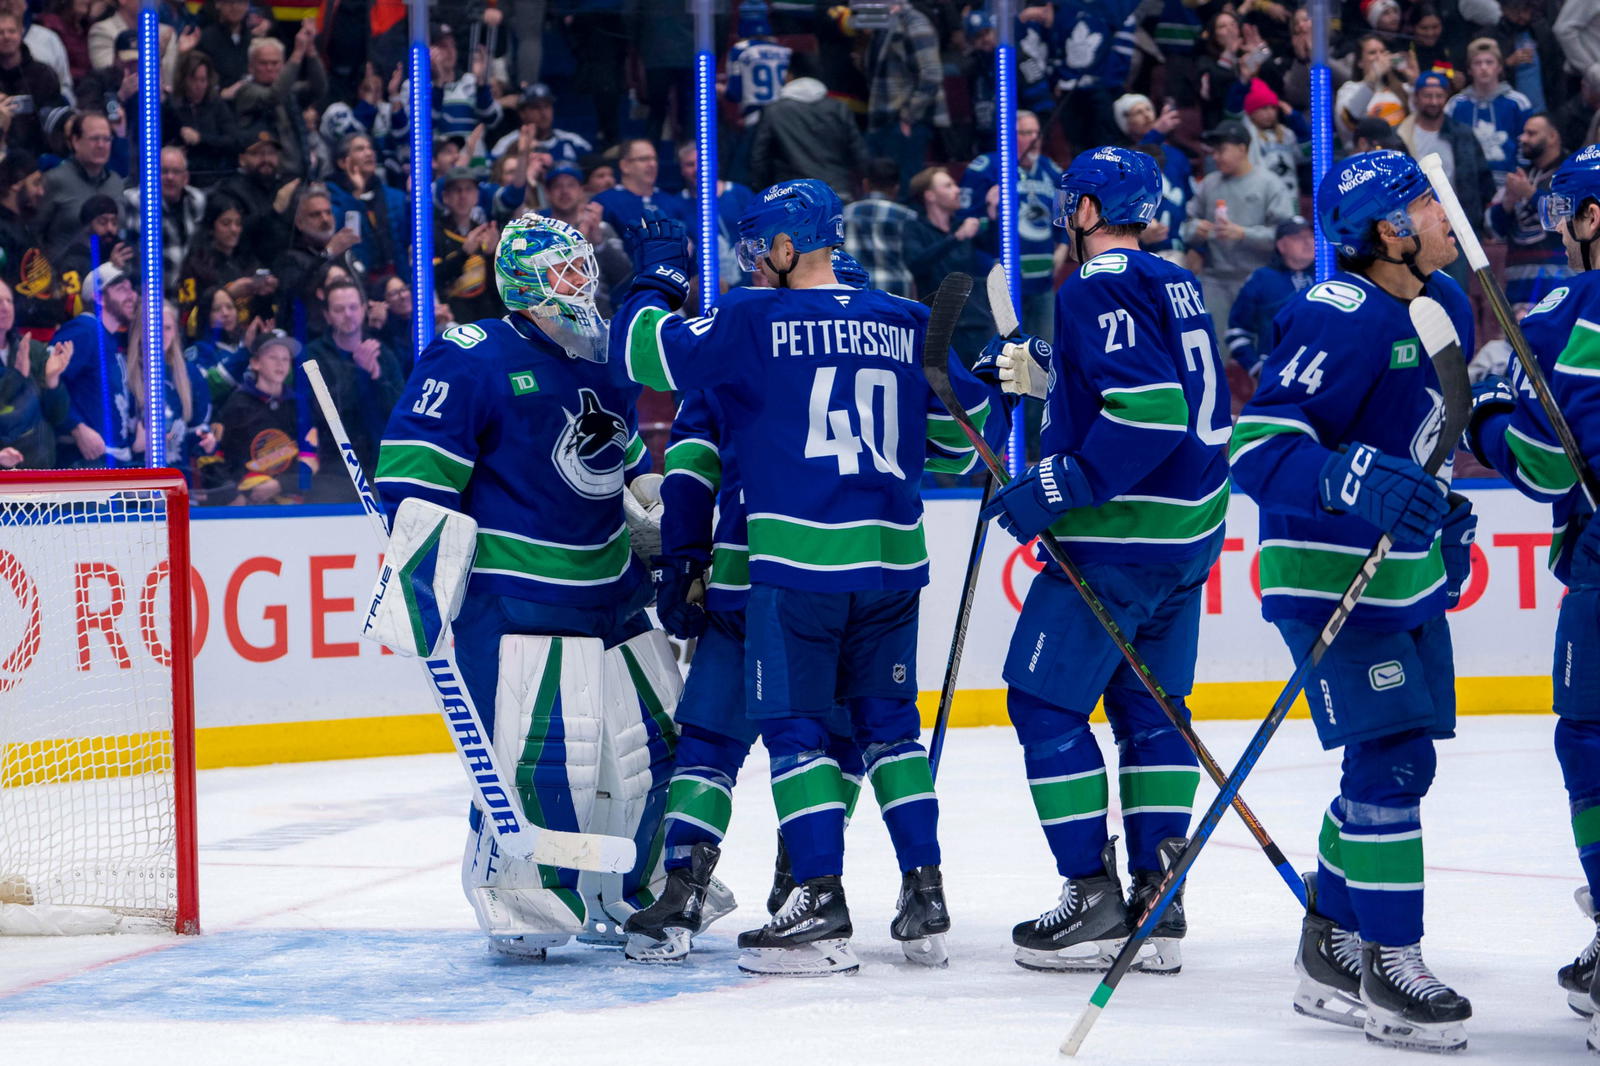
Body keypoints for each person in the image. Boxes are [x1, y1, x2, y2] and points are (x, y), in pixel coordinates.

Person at [611, 179, 995, 976]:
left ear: (787, 249)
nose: (755, 261)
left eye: (762, 248)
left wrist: (653, 278)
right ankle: (920, 893)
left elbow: (648, 365)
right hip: (891, 565)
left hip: (785, 566)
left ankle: (797, 891)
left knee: (760, 735)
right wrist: (1005, 380)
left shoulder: (752, 321)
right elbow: (962, 443)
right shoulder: (905, 318)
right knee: (883, 733)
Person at [371, 214, 675, 961]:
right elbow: (413, 484)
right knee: (544, 757)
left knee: (658, 744)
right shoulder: (472, 356)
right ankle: (524, 902)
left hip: (615, 589)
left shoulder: (603, 356)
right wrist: (420, 582)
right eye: (567, 272)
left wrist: (658, 511)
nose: (585, 284)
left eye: (584, 268)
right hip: (517, 599)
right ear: (526, 284)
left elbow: (626, 458)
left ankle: (634, 891)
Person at [1230, 151, 1474, 1052]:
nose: (1449, 217)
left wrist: (1440, 504)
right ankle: (1387, 960)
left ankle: (1328, 944)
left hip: (1406, 576)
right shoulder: (1340, 314)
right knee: (1393, 763)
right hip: (1326, 576)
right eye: (1428, 206)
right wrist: (1355, 478)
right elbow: (1258, 449)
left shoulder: (1444, 304)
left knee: (1398, 767)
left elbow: (1424, 438)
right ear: (1389, 230)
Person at [969, 146, 1226, 976]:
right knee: (1152, 713)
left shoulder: (1096, 281)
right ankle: (1158, 897)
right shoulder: (1171, 275)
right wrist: (1051, 378)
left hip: (1122, 535)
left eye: (1070, 203)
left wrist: (1055, 481)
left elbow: (1148, 416)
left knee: (1043, 706)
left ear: (1085, 209)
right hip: (1188, 537)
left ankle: (1092, 897)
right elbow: (1150, 386)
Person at [622, 252, 883, 965]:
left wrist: (683, 560)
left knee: (711, 739)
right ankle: (802, 881)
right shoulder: (880, 351)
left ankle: (683, 891)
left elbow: (691, 463)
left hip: (749, 578)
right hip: (851, 588)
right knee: (835, 744)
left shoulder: (749, 341)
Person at [1460, 144, 1600, 1054]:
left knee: (1591, 740)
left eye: (1565, 216)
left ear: (1590, 218)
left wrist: (1486, 413)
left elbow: (1552, 466)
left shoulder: (1572, 311)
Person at [958, 109, 1066, 342]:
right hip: (1000, 280)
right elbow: (964, 223)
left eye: (1037, 132)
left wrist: (1063, 248)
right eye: (1026, 133)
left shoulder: (1052, 170)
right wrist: (989, 212)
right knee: (1003, 354)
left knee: (1044, 352)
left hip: (1043, 280)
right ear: (1007, 134)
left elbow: (1066, 219)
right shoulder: (985, 168)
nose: (1035, 139)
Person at [1180, 120, 1296, 328]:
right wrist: (1195, 229)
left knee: (1257, 351)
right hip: (1214, 281)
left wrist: (1244, 233)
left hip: (1257, 279)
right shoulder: (1208, 183)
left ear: (1243, 149)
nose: (1215, 157)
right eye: (1213, 152)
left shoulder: (1270, 184)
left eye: (1222, 150)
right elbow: (1186, 225)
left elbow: (1285, 237)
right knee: (1217, 350)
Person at [303, 277, 402, 501]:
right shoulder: (313, 357)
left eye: (353, 307)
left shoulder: (383, 354)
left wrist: (376, 376)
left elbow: (400, 413)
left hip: (382, 467)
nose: (348, 314)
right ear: (327, 315)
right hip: (335, 470)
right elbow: (325, 414)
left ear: (364, 309)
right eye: (339, 309)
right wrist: (358, 371)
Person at [747, 54, 868, 200]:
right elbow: (859, 153)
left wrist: (763, 193)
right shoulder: (838, 107)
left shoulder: (774, 111)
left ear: (789, 76)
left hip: (793, 197)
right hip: (836, 193)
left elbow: (759, 158)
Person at [904, 165, 993, 361]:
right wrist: (956, 238)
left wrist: (993, 215)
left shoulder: (963, 227)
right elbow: (916, 264)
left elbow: (994, 251)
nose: (957, 189)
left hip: (975, 323)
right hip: (940, 329)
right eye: (948, 186)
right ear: (930, 196)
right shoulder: (915, 228)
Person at [54, 261, 137, 465]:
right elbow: (46, 381)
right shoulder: (84, 330)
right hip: (86, 462)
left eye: (131, 288)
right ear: (99, 297)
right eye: (121, 289)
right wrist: (76, 426)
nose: (131, 295)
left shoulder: (110, 338)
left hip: (113, 460)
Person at [1488, 113, 1573, 309]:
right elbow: (1494, 229)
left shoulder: (1571, 174)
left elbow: (1571, 218)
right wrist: (1508, 202)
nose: (1522, 138)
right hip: (1518, 287)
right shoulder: (1520, 176)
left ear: (1552, 137)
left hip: (1561, 284)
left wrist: (1530, 194)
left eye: (1531, 134)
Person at [214, 330, 309, 506]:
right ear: (255, 363)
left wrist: (282, 484)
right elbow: (223, 457)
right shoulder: (237, 405)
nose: (280, 364)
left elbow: (311, 455)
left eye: (285, 359)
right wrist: (234, 495)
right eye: (273, 357)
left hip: (292, 502)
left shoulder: (298, 405)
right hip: (248, 502)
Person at [1225, 215, 1315, 377]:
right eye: (1298, 237)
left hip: (1322, 371)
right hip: (1277, 371)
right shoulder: (1261, 279)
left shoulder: (1327, 275)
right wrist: (1256, 368)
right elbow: (1237, 332)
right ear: (1281, 245)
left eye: (1311, 236)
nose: (1308, 242)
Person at [0, 276, 70, 468]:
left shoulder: (33, 350)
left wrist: (52, 381)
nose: (6, 308)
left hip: (39, 473)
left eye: (9, 301)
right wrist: (17, 378)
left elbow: (57, 416)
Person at [1446, 39, 1532, 188]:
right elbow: (1447, 144)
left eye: (1489, 62)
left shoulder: (1518, 102)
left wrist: (1519, 176)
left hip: (1508, 182)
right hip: (1466, 183)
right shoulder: (1455, 105)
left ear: (1499, 67)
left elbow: (1525, 145)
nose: (1483, 68)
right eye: (1477, 63)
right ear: (1469, 70)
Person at [39, 111, 123, 263]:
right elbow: (34, 235)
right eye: (94, 139)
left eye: (106, 139)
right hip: (65, 279)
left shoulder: (116, 183)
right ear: (75, 141)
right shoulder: (54, 180)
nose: (101, 145)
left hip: (109, 278)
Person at [122, 147, 206, 280]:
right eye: (163, 171)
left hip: (186, 289)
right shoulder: (134, 201)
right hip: (145, 290)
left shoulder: (197, 200)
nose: (170, 177)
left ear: (185, 178)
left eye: (176, 172)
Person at [841, 157, 918, 297]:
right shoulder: (908, 216)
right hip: (897, 292)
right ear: (896, 188)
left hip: (855, 291)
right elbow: (915, 261)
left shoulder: (844, 214)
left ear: (865, 184)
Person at [162, 50, 240, 187]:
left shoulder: (217, 104)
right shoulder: (171, 107)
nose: (198, 86)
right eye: (193, 80)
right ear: (183, 79)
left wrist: (200, 139)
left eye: (202, 80)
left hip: (215, 176)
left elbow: (232, 141)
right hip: (182, 179)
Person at [434, 166, 501, 325]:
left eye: (468, 189)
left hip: (483, 320)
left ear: (476, 196)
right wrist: (464, 253)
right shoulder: (434, 232)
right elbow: (434, 278)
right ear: (445, 197)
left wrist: (493, 255)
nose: (463, 196)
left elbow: (497, 290)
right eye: (457, 190)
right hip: (449, 320)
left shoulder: (484, 232)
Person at [0, 10, 65, 159]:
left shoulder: (43, 74)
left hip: (39, 154)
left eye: (11, 31)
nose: (6, 36)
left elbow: (54, 121)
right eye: (0, 32)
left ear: (22, 31)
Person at [592, 138, 689, 235]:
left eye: (654, 159)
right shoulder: (604, 202)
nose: (652, 164)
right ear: (625, 166)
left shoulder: (671, 202)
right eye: (644, 159)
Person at [724, 0, 792, 128]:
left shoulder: (739, 51)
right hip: (784, 118)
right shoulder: (785, 52)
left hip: (754, 117)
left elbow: (734, 93)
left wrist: (722, 91)